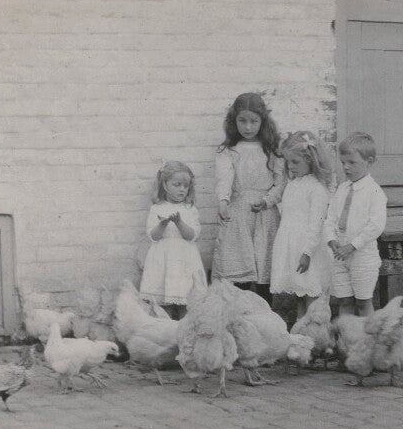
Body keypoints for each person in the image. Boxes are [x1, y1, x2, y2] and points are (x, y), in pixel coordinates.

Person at [212, 92, 286, 304]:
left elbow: (279, 182)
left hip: (264, 212)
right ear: (234, 121)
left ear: (262, 121)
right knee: (240, 266)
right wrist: (223, 201)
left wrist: (267, 200)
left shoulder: (271, 149)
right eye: (242, 121)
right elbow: (224, 178)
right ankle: (242, 314)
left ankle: (265, 313)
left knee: (264, 265)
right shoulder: (229, 150)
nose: (248, 127)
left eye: (253, 121)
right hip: (239, 212)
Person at [270, 131, 333, 320]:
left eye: (295, 162)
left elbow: (316, 225)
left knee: (311, 295)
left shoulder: (316, 188)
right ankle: (301, 334)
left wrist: (307, 252)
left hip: (308, 250)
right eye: (288, 162)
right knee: (299, 293)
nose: (290, 166)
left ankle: (317, 337)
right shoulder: (293, 184)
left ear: (311, 160)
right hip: (293, 247)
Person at [323, 131, 387, 317]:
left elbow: (375, 226)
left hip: (362, 255)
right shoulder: (342, 189)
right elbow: (330, 218)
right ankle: (347, 340)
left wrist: (352, 246)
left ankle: (369, 342)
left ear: (369, 161)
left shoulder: (374, 192)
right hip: (339, 253)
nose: (346, 167)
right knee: (344, 300)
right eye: (343, 163)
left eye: (352, 163)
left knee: (363, 301)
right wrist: (331, 240)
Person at [139, 161, 206, 319]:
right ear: (165, 184)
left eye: (186, 186)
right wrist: (162, 224)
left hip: (184, 261)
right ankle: (166, 330)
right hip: (163, 260)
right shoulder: (157, 208)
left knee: (186, 302)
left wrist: (179, 222)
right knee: (164, 302)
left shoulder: (190, 209)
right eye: (177, 185)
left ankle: (184, 331)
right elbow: (153, 236)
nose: (182, 189)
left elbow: (191, 235)